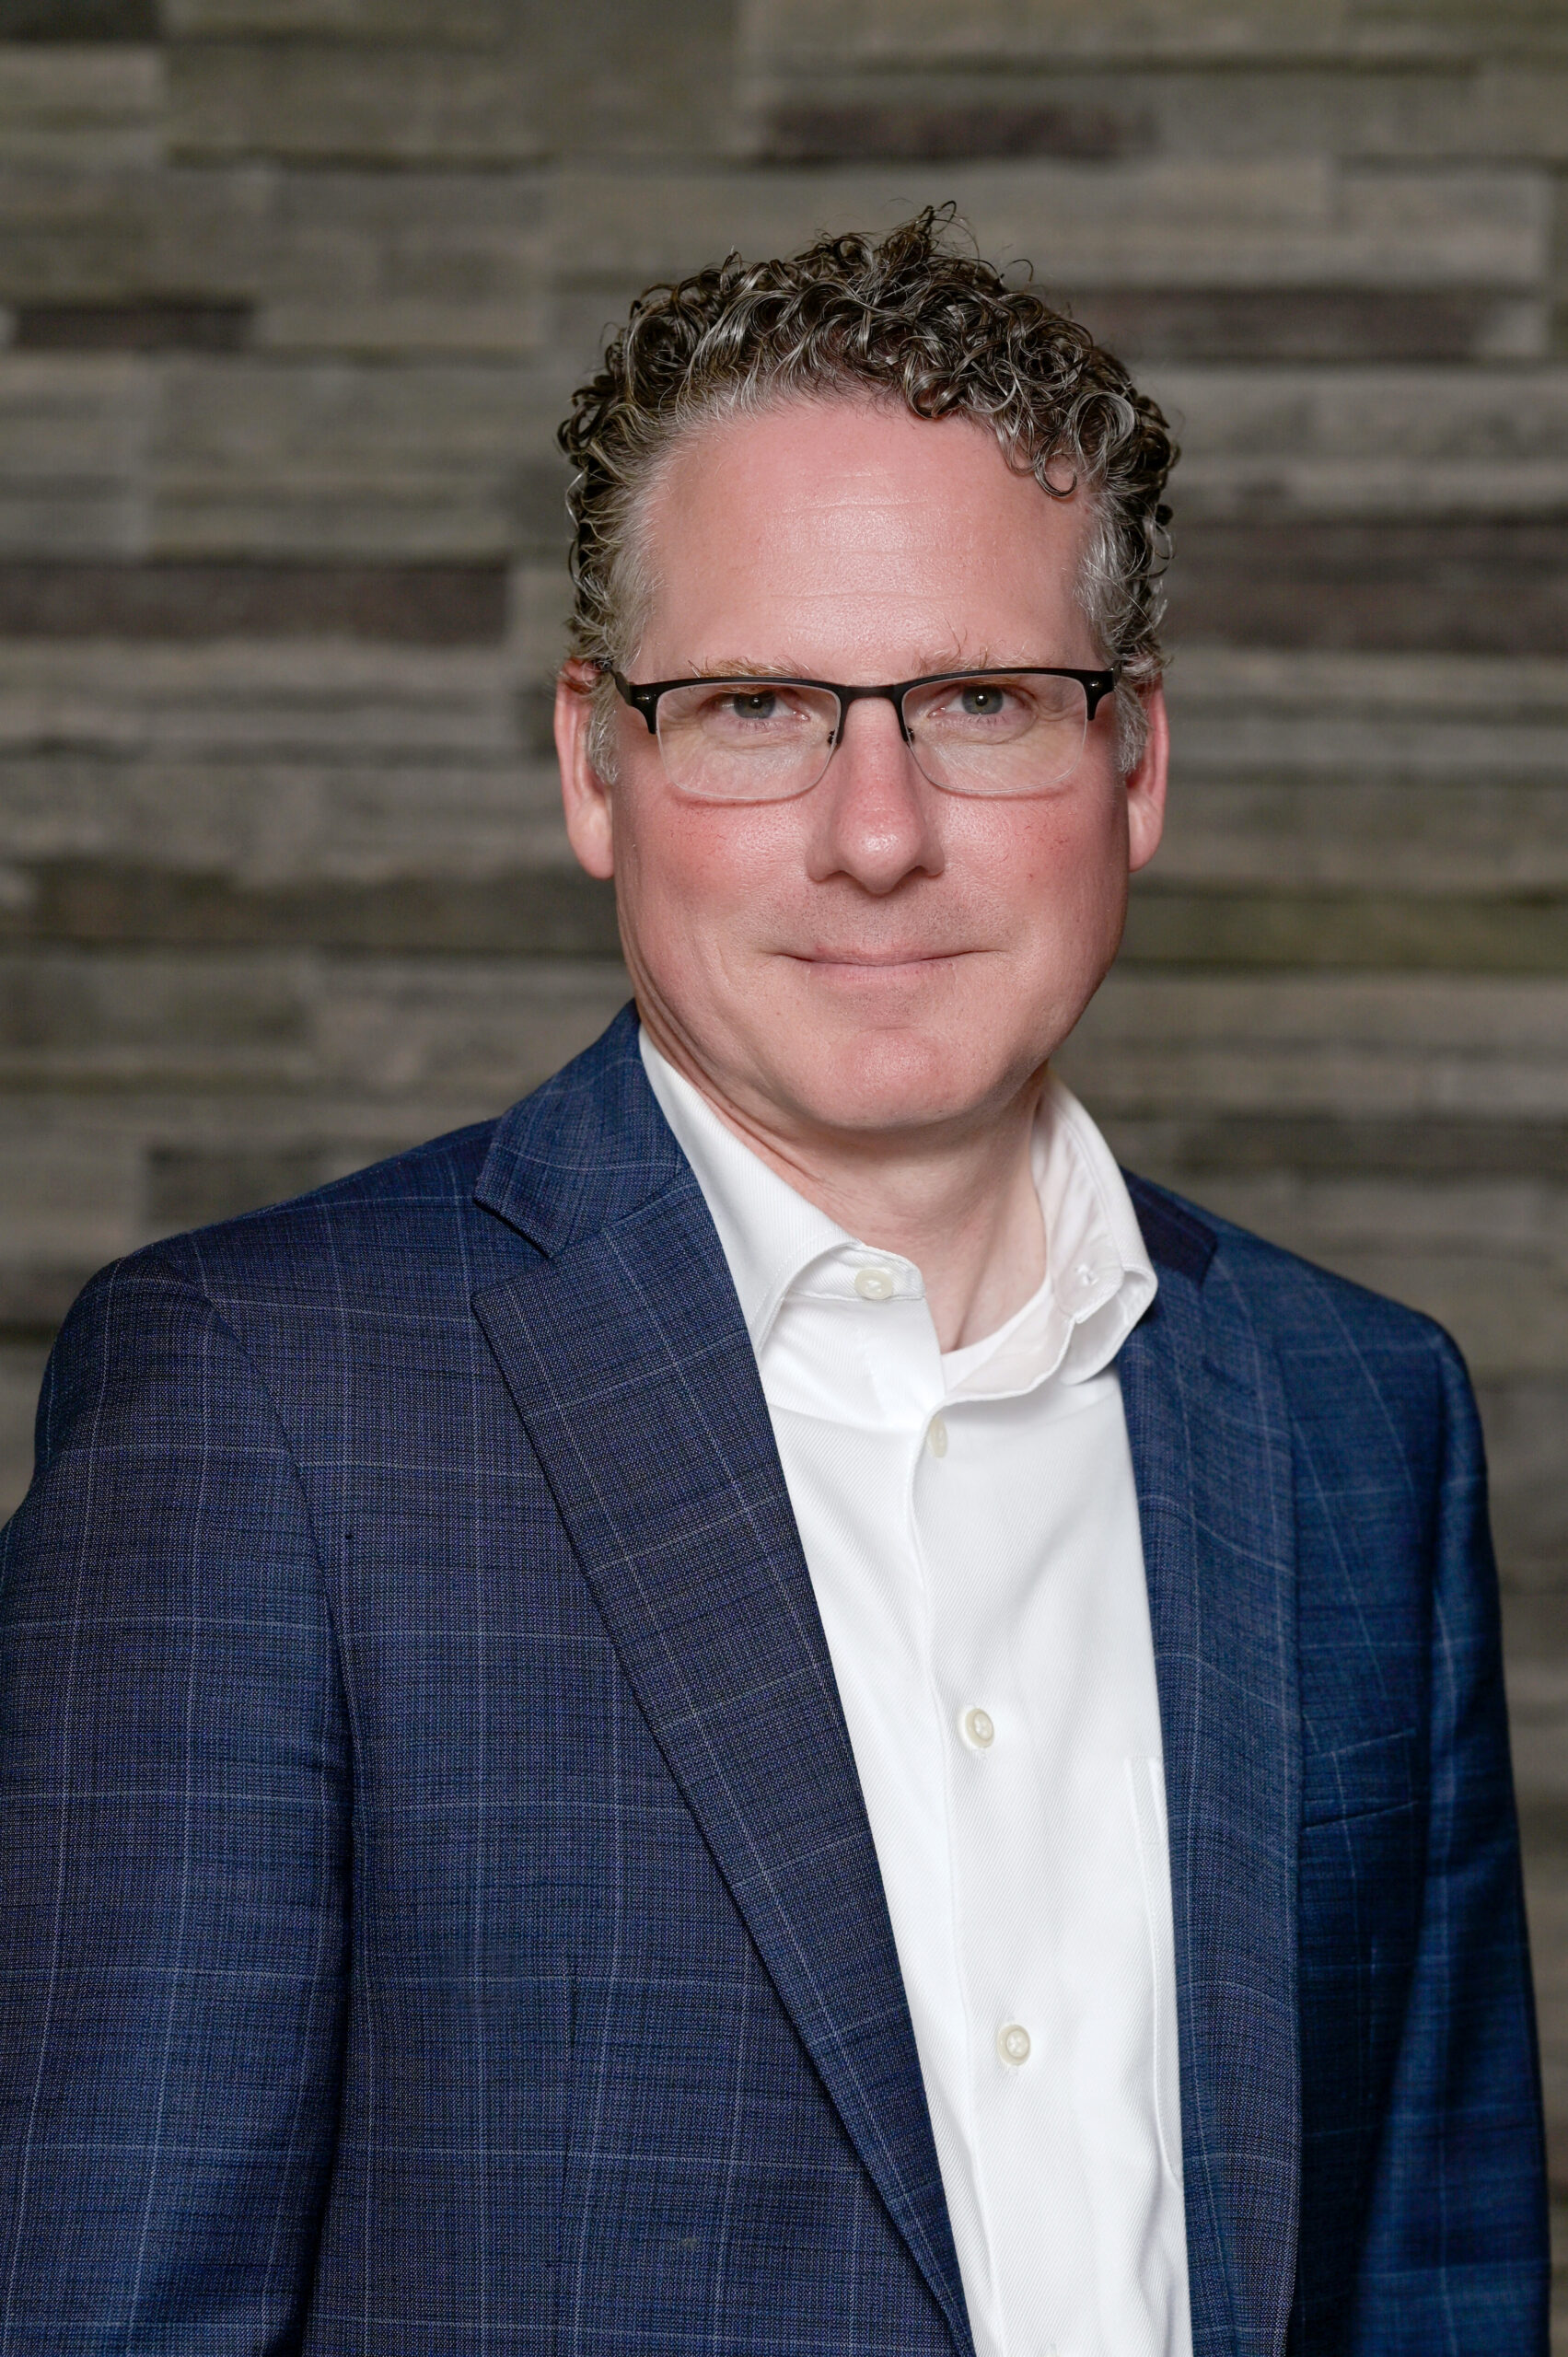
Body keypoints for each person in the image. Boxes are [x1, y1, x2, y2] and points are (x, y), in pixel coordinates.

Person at [0, 212, 1546, 2356]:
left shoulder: (1360, 1418)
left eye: (983, 700)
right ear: (594, 764)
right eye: (756, 706)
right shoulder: (259, 1408)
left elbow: (1433, 2287)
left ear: (1136, 762)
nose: (876, 831)